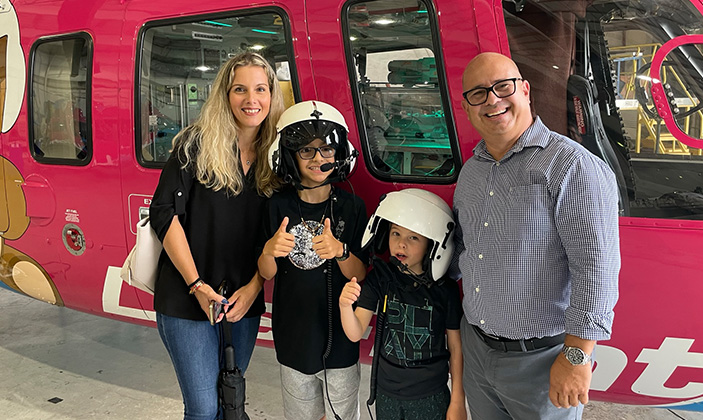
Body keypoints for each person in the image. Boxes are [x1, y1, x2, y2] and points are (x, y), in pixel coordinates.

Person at [452, 52, 620, 420]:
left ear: (525, 90)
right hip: (478, 352)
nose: (493, 100)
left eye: (502, 87)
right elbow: (464, 251)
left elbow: (596, 269)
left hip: (542, 360)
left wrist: (577, 357)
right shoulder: (471, 173)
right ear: (466, 108)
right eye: (478, 93)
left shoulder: (573, 167)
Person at [149, 52, 284, 420]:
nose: (251, 100)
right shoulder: (195, 145)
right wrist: (197, 285)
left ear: (272, 95)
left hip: (243, 298)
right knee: (204, 409)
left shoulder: (277, 156)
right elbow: (164, 214)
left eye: (260, 89)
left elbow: (275, 236)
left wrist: (255, 288)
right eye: (240, 89)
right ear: (225, 95)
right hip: (187, 296)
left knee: (231, 400)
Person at [258, 100, 368, 420]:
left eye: (326, 149)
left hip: (341, 342)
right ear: (289, 155)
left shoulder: (352, 206)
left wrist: (340, 251)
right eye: (307, 150)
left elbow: (360, 273)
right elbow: (265, 273)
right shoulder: (276, 206)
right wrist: (269, 251)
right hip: (294, 337)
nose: (319, 158)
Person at [340, 188, 467, 420]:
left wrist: (458, 399)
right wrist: (345, 306)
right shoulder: (381, 279)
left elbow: (456, 348)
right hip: (387, 393)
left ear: (432, 244)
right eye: (395, 233)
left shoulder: (445, 290)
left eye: (413, 237)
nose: (401, 244)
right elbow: (355, 332)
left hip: (431, 395)